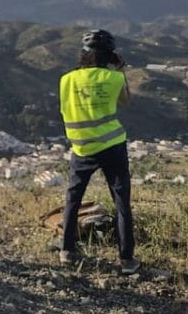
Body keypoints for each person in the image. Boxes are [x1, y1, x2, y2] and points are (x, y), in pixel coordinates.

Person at [59, 29, 139, 274]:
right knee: (121, 202)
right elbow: (126, 102)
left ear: (84, 55)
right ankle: (126, 260)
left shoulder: (67, 79)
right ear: (110, 56)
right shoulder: (113, 78)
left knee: (73, 199)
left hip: (81, 147)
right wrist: (120, 71)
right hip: (112, 146)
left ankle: (67, 251)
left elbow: (65, 109)